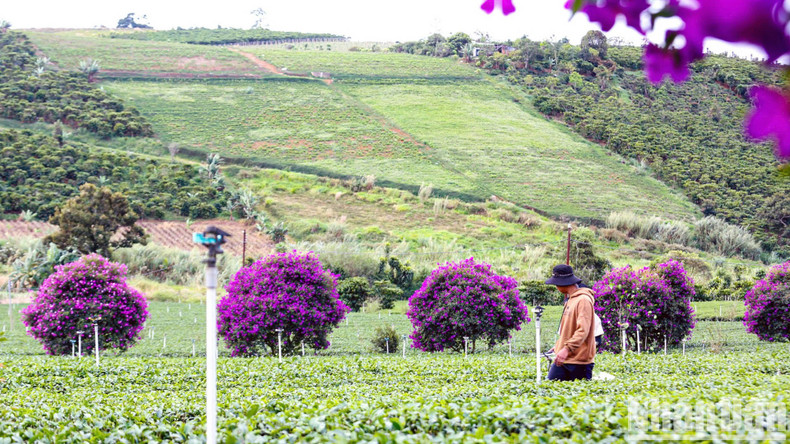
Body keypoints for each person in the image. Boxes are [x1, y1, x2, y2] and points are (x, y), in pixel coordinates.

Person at [544, 264, 596, 381]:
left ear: (563, 282)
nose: (556, 287)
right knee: (550, 389)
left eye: (556, 283)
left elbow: (583, 330)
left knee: (579, 397)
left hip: (579, 361)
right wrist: (559, 345)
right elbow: (569, 329)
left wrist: (566, 349)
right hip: (564, 358)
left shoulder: (583, 300)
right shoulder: (571, 300)